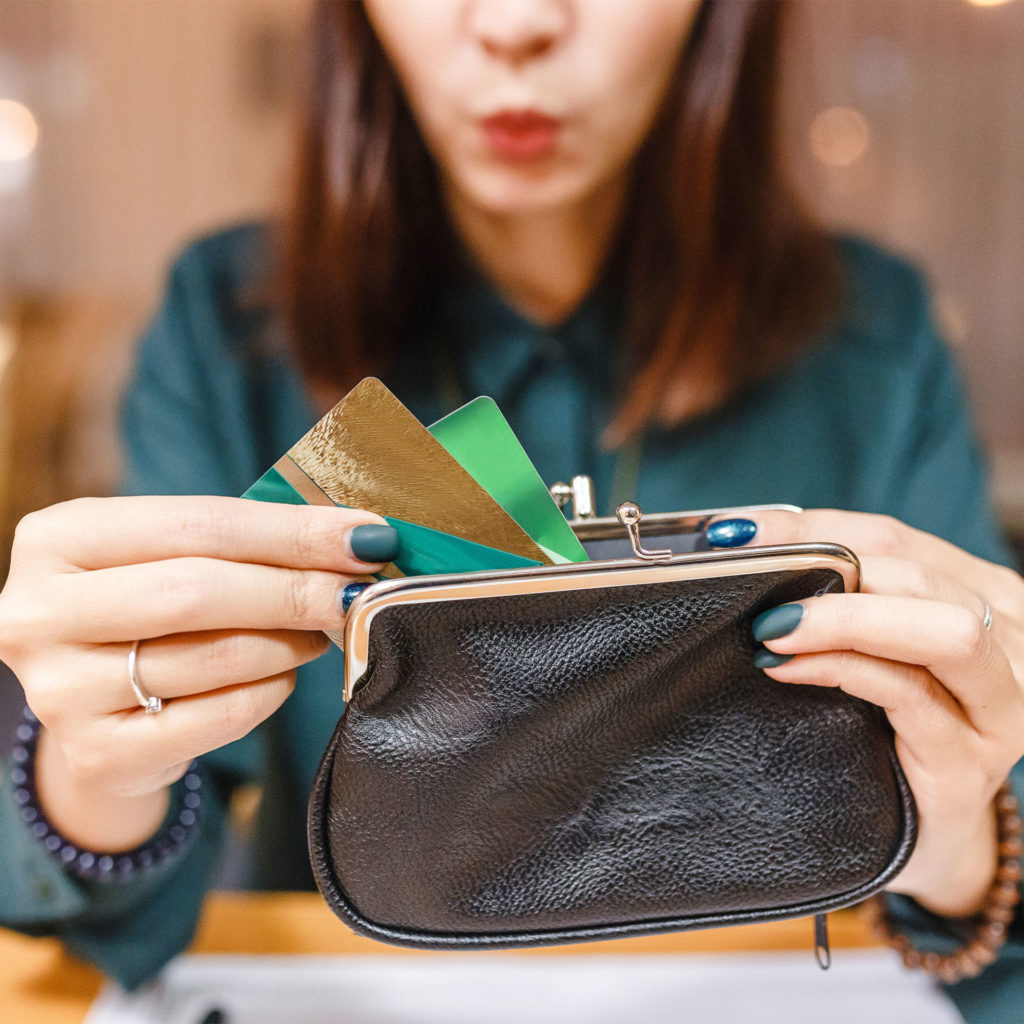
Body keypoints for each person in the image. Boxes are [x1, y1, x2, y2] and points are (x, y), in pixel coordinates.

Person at [1, 1, 1022, 1019]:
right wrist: (87, 768)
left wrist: (958, 836)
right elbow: (122, 924)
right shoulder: (224, 320)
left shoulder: (875, 338)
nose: (516, 21)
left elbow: (990, 903)